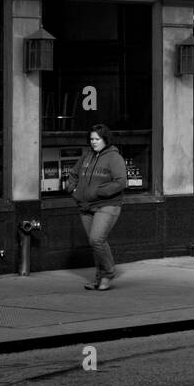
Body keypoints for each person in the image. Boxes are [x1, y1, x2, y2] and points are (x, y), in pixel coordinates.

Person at [66, 124, 127, 290]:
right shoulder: (87, 157)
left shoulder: (114, 158)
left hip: (107, 205)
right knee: (95, 244)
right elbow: (73, 174)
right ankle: (99, 278)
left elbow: (121, 182)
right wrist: (73, 189)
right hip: (85, 206)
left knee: (96, 239)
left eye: (97, 139)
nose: (94, 142)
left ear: (105, 139)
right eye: (91, 139)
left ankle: (108, 274)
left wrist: (99, 192)